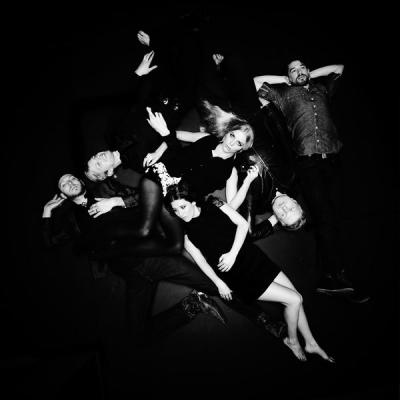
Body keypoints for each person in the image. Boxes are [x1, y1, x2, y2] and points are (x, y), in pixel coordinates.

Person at [42, 174, 287, 342]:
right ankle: (193, 305)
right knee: (137, 336)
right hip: (131, 275)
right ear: (62, 193)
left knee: (217, 286)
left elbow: (146, 195)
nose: (70, 182)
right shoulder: (71, 222)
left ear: (81, 180)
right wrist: (46, 212)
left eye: (72, 178)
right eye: (64, 183)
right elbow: (50, 243)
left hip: (154, 258)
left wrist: (117, 201)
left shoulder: (104, 189)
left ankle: (267, 322)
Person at [166, 181, 334, 362]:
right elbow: (201, 262)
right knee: (295, 300)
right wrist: (219, 283)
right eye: (175, 210)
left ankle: (311, 342)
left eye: (182, 207)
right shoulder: (187, 234)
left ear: (192, 202)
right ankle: (293, 341)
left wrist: (232, 253)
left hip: (254, 259)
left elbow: (243, 225)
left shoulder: (215, 203)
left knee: (296, 298)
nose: (180, 214)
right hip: (239, 276)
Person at [253, 59, 370, 303]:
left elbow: (339, 69)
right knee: (325, 216)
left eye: (302, 67)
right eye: (292, 69)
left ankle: (329, 276)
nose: (298, 71)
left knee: (335, 216)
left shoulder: (322, 89)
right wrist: (287, 79)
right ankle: (334, 277)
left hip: (332, 158)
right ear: (288, 76)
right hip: (307, 162)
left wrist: (306, 75)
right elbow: (255, 83)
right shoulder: (285, 94)